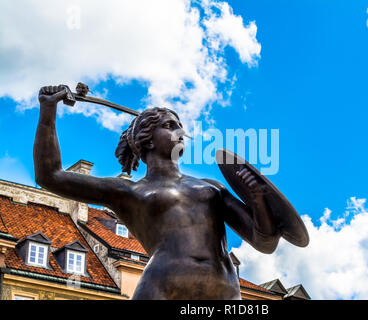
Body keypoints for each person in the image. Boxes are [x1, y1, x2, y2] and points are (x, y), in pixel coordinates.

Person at [34, 85, 281, 299]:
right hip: (162, 287)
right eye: (170, 125)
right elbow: (50, 175)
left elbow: (264, 242)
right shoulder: (128, 191)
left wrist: (258, 199)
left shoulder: (211, 187)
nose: (180, 132)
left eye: (181, 126)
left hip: (223, 290)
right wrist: (48, 111)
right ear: (149, 139)